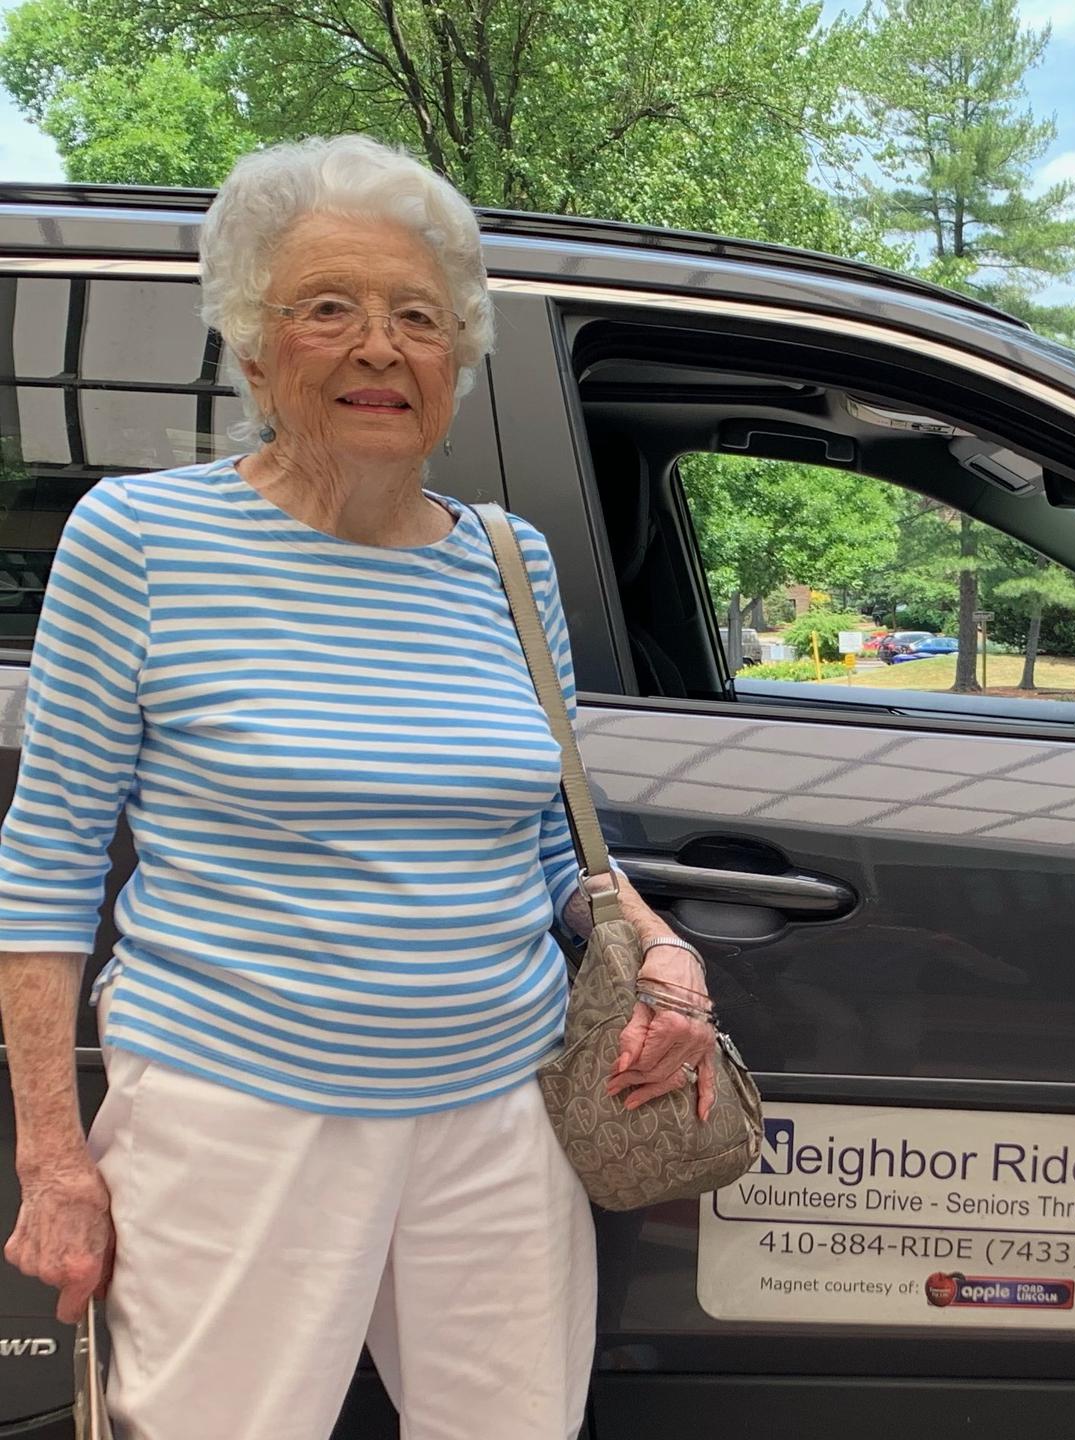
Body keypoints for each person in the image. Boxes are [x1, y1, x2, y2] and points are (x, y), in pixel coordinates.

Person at [0, 134, 718, 1439]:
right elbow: (46, 864)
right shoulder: (141, 540)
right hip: (237, 1114)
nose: (380, 348)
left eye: (419, 317)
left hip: (501, 1114)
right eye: (329, 307)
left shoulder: (512, 563)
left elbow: (564, 853)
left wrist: (665, 959)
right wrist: (52, 1158)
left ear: (458, 355)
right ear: (255, 344)